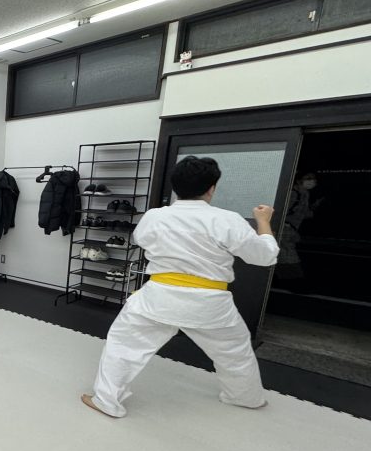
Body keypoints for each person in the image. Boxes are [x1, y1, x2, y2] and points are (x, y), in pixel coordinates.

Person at [81, 156, 279, 418]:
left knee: (123, 346)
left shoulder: (155, 217)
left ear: (175, 188)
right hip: (210, 301)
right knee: (235, 351)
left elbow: (141, 240)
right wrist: (263, 220)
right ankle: (246, 398)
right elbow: (265, 256)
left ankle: (107, 400)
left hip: (159, 296)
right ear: (212, 188)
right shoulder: (227, 220)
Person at [274, 171, 320, 290]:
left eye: (313, 179)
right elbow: (279, 210)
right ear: (299, 180)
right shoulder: (293, 193)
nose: (311, 181)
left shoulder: (304, 194)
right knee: (288, 255)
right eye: (308, 178)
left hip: (290, 228)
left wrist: (314, 207)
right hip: (285, 228)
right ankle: (296, 283)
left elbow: (303, 213)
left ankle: (286, 281)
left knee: (283, 255)